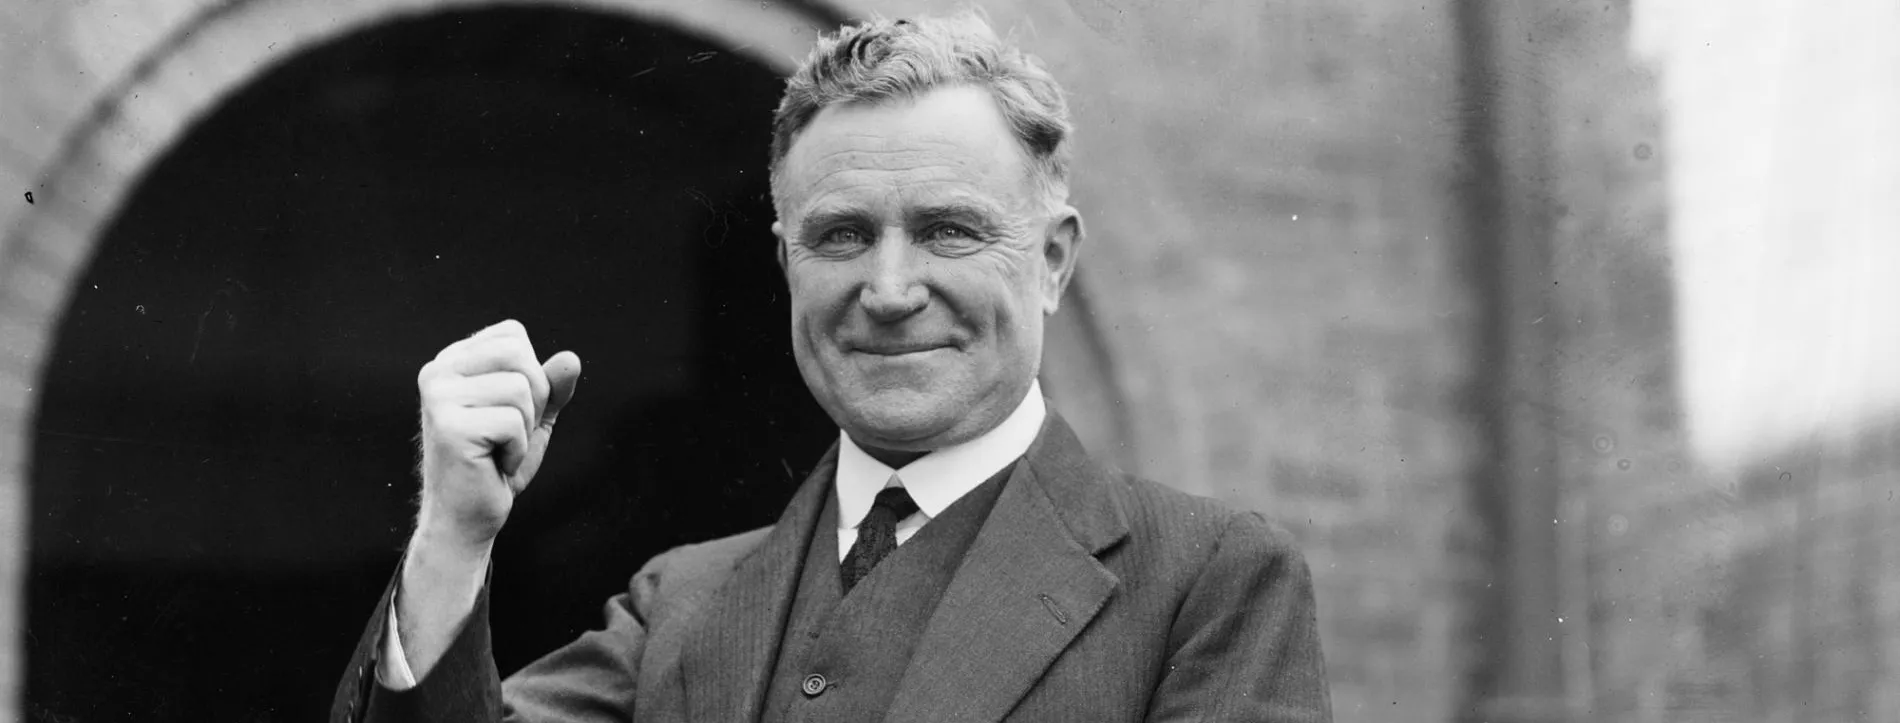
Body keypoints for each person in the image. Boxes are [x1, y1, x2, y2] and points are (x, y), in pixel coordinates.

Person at [331, 12, 1330, 723]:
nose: (890, 289)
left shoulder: (1204, 583)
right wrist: (457, 536)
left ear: (1053, 260)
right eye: (843, 236)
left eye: (947, 230)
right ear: (786, 266)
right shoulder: (678, 603)